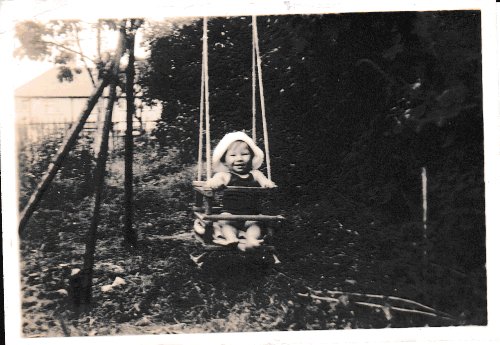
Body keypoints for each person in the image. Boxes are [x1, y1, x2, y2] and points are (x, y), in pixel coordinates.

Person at [205, 132, 276, 251]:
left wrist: (267, 184)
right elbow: (214, 180)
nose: (239, 159)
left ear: (252, 157)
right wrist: (216, 182)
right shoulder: (225, 175)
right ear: (224, 160)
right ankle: (231, 239)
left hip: (251, 215)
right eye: (233, 155)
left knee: (255, 225)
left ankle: (251, 239)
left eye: (244, 154)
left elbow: (265, 181)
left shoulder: (256, 174)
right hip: (230, 214)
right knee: (225, 223)